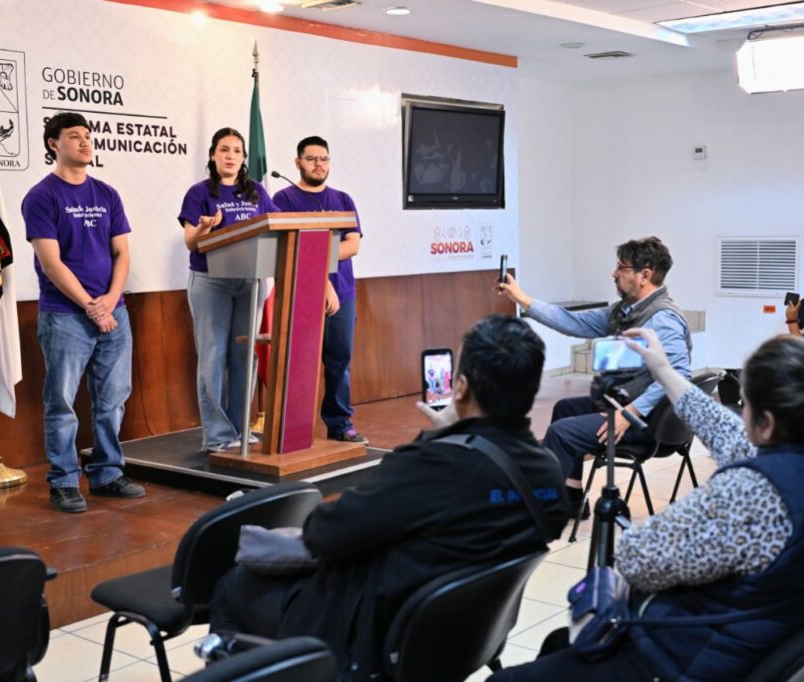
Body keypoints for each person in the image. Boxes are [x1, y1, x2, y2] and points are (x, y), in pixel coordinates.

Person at [490, 329, 804, 682]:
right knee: (558, 647)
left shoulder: (752, 496)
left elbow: (635, 557)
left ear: (767, 423)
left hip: (680, 663)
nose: (741, 413)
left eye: (746, 404)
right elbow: (733, 437)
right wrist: (664, 372)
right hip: (747, 647)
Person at [209, 315, 568, 680]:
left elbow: (324, 534)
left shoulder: (431, 466)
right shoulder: (549, 474)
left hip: (364, 637)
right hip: (457, 642)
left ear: (459, 387)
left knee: (231, 585)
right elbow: (485, 498)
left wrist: (438, 441)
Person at [496, 237, 691, 518]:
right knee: (565, 410)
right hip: (628, 407)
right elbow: (573, 322)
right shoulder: (624, 311)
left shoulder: (662, 319)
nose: (614, 274)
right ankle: (572, 498)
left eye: (621, 268)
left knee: (561, 433)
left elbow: (678, 375)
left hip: (650, 423)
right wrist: (522, 299)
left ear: (644, 275)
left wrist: (630, 413)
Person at [22, 112, 144, 513]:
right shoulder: (42, 196)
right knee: (62, 401)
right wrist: (92, 307)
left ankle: (107, 473)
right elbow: (52, 264)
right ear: (53, 144)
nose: (85, 142)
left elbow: (122, 252)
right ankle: (63, 480)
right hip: (66, 315)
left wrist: (111, 297)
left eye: (88, 136)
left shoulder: (106, 194)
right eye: (74, 136)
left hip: (114, 312)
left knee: (113, 399)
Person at [179, 128, 279, 453]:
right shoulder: (199, 193)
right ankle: (218, 435)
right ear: (213, 155)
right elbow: (191, 241)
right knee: (213, 357)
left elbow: (276, 226)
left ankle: (241, 428)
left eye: (237, 150)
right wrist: (205, 228)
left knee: (243, 355)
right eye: (224, 149)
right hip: (212, 282)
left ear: (243, 158)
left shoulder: (257, 192)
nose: (231, 156)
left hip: (250, 282)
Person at [272, 136, 366, 444]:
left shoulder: (343, 199)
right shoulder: (283, 199)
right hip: (300, 295)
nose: (318, 164)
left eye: (324, 158)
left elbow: (353, 245)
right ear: (298, 162)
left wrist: (314, 249)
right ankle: (294, 429)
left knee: (339, 361)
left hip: (344, 293)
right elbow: (288, 246)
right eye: (311, 159)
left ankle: (340, 424)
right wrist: (320, 275)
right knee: (299, 362)